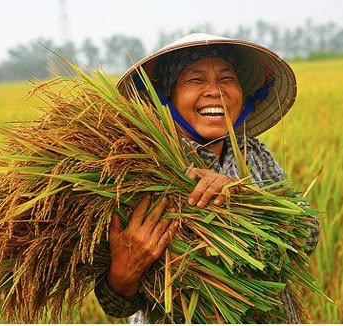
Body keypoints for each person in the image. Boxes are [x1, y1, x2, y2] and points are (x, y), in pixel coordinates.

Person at [94, 33, 320, 323]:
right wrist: (124, 273)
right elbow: (116, 305)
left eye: (226, 78)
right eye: (196, 80)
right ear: (167, 96)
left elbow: (306, 234)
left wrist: (243, 196)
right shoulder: (140, 169)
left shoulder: (253, 153)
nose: (215, 91)